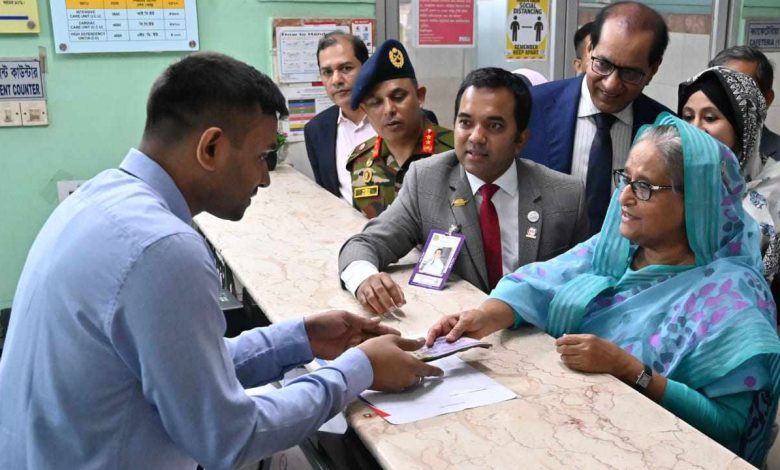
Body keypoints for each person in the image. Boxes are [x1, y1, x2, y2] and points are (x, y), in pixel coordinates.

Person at [0, 53, 443, 469]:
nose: (265, 178)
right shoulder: (163, 248)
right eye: (261, 157)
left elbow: (184, 366)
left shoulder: (103, 197)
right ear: (210, 148)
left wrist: (300, 339)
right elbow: (227, 436)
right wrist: (359, 370)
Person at [427, 113, 780, 466]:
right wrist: (483, 317)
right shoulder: (614, 250)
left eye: (644, 187)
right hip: (573, 433)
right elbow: (539, 284)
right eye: (626, 179)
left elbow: (730, 428)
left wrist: (630, 370)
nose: (624, 197)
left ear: (696, 201)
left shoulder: (733, 298)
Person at [339, 67, 588, 315]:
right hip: (453, 327)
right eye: (466, 123)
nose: (476, 137)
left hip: (534, 330)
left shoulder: (566, 196)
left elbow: (587, 284)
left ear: (520, 139)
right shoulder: (426, 181)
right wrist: (364, 279)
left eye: (494, 126)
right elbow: (363, 244)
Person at [522, 1, 671, 234]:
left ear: (653, 69)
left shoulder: (665, 130)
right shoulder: (531, 108)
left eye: (630, 73)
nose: (611, 84)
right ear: (590, 48)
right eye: (603, 64)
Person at [304, 33, 439, 204]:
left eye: (346, 68)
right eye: (327, 72)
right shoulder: (316, 130)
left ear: (366, 68)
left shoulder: (410, 118)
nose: (336, 80)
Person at [678, 66, 779, 284]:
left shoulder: (775, 187)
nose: (695, 129)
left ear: (742, 127)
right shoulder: (671, 178)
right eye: (687, 117)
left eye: (710, 118)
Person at [347, 39, 454, 219]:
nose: (389, 109)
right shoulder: (361, 162)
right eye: (376, 103)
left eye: (398, 97)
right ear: (365, 111)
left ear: (420, 97)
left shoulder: (456, 153)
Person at [709, 45, 779, 162]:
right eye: (720, 89)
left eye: (740, 90)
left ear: (766, 99)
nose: (726, 98)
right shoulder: (694, 148)